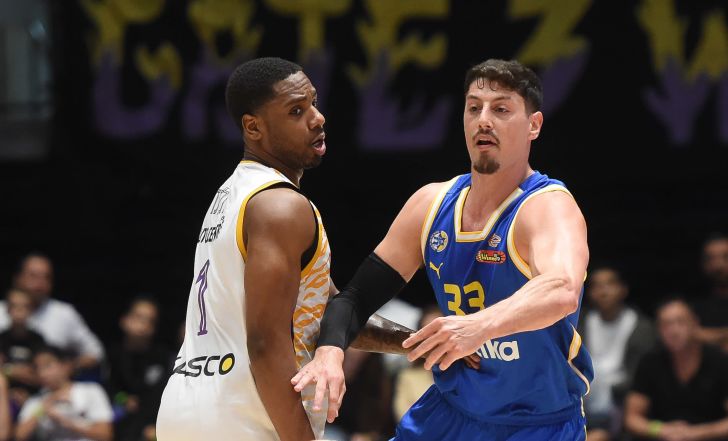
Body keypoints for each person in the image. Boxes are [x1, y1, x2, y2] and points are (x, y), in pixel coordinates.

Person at [292, 59, 593, 440]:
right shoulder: (430, 204)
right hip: (449, 412)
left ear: (533, 125)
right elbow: (354, 299)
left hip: (537, 424)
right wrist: (330, 352)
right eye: (474, 108)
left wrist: (477, 327)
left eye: (501, 109)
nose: (484, 120)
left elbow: (562, 289)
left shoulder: (547, 206)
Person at [156, 57, 409, 441]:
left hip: (188, 406)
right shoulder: (281, 206)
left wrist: (417, 344)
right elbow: (265, 343)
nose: (317, 118)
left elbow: (327, 314)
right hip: (243, 417)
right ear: (253, 127)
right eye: (296, 111)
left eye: (313, 103)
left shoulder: (233, 195)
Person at [624, 298, 728, 440]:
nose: (674, 331)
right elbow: (632, 418)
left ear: (695, 323)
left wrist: (695, 433)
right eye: (666, 325)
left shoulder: (720, 361)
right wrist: (661, 430)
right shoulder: (650, 362)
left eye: (681, 322)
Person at [580, 264, 656, 440]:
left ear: (623, 289)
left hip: (623, 406)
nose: (603, 291)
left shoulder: (642, 327)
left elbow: (643, 377)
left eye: (610, 284)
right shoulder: (579, 323)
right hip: (583, 402)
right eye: (597, 286)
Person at [0, 253, 104, 371]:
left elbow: (95, 352)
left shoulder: (64, 313)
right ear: (17, 278)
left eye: (46, 277)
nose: (40, 283)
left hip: (48, 380)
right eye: (33, 276)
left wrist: (67, 368)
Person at [106, 296, 171, 441]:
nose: (144, 324)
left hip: (151, 425)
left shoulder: (162, 358)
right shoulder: (112, 354)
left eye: (150, 321)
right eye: (139, 317)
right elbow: (108, 388)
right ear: (124, 320)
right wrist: (123, 399)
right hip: (118, 422)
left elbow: (159, 397)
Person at [14, 345, 113, 441]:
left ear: (65, 365)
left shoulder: (91, 390)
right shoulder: (36, 401)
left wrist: (66, 421)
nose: (42, 373)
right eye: (38, 368)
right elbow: (19, 436)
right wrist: (42, 409)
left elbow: (105, 435)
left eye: (47, 366)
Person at [0, 288, 46, 414]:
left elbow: (42, 376)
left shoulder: (38, 340)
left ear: (31, 310)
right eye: (15, 306)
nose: (19, 310)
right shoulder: (2, 339)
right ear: (7, 309)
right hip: (5, 396)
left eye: (24, 306)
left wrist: (7, 369)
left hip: (35, 398)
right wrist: (12, 371)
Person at [392, 305, 441, 421]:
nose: (432, 341)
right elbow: (404, 416)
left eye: (438, 333)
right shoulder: (408, 377)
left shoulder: (466, 373)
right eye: (427, 334)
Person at [694, 233, 728, 351]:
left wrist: (712, 336)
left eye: (726, 257)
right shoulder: (696, 305)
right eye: (711, 259)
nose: (718, 265)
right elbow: (690, 334)